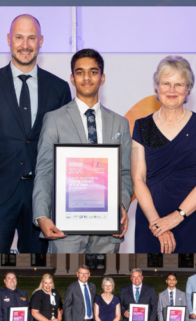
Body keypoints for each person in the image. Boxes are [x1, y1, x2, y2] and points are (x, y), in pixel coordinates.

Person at [0, 14, 70, 253]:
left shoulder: (60, 88)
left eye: (31, 38)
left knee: (39, 268)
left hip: (41, 198)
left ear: (41, 41)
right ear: (9, 39)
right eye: (19, 37)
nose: (25, 44)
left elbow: (65, 145)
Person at [32, 48, 132, 252]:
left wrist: (121, 205)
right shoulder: (54, 119)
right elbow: (44, 171)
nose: (87, 77)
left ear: (102, 78)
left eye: (93, 72)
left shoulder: (120, 123)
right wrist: (41, 216)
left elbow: (124, 172)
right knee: (65, 280)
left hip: (107, 232)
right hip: (65, 231)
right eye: (80, 72)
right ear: (72, 77)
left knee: (105, 282)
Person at [130, 55, 196, 253]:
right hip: (152, 224)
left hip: (195, 221)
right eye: (166, 83)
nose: (172, 90)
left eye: (178, 84)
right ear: (156, 86)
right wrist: (158, 225)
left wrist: (176, 217)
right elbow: (138, 179)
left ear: (188, 89)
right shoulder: (142, 127)